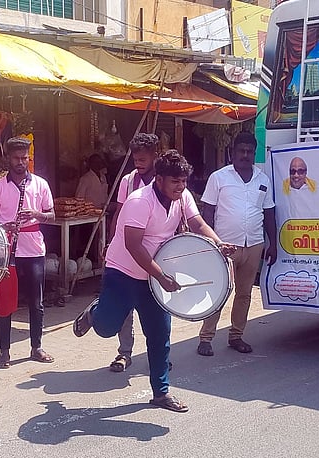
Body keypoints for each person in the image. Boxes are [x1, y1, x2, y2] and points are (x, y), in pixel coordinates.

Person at [73, 150, 236, 413]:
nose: (180, 186)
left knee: (160, 334)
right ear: (159, 179)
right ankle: (94, 313)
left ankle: (161, 392)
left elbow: (196, 222)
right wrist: (161, 276)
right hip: (123, 273)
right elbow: (133, 245)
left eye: (183, 181)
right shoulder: (139, 201)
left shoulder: (182, 197)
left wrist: (218, 243)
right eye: (175, 181)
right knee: (106, 328)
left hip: (154, 277)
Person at [197, 133, 277, 357]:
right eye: (241, 150)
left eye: (249, 151)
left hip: (254, 244)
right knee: (220, 291)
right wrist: (210, 242)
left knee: (244, 294)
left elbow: (269, 213)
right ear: (232, 152)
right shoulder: (219, 178)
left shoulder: (263, 180)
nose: (245, 155)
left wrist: (273, 244)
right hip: (224, 246)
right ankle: (206, 338)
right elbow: (208, 212)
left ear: (254, 153)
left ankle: (236, 336)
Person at [0, 137, 55, 368]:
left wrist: (36, 214)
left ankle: (37, 347)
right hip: (7, 251)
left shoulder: (40, 184)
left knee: (36, 302)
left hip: (34, 250)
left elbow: (52, 215)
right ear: (9, 158)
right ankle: (4, 352)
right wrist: (4, 227)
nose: (21, 162)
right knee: (5, 303)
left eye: (24, 158)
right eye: (16, 158)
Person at [103, 133, 158, 373]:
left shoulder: (163, 181)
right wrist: (111, 242)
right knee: (125, 307)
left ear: (155, 155)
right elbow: (119, 212)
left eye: (143, 159)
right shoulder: (128, 181)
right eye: (135, 159)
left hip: (155, 255)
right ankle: (124, 353)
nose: (139, 163)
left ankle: (159, 354)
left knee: (154, 309)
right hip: (128, 253)